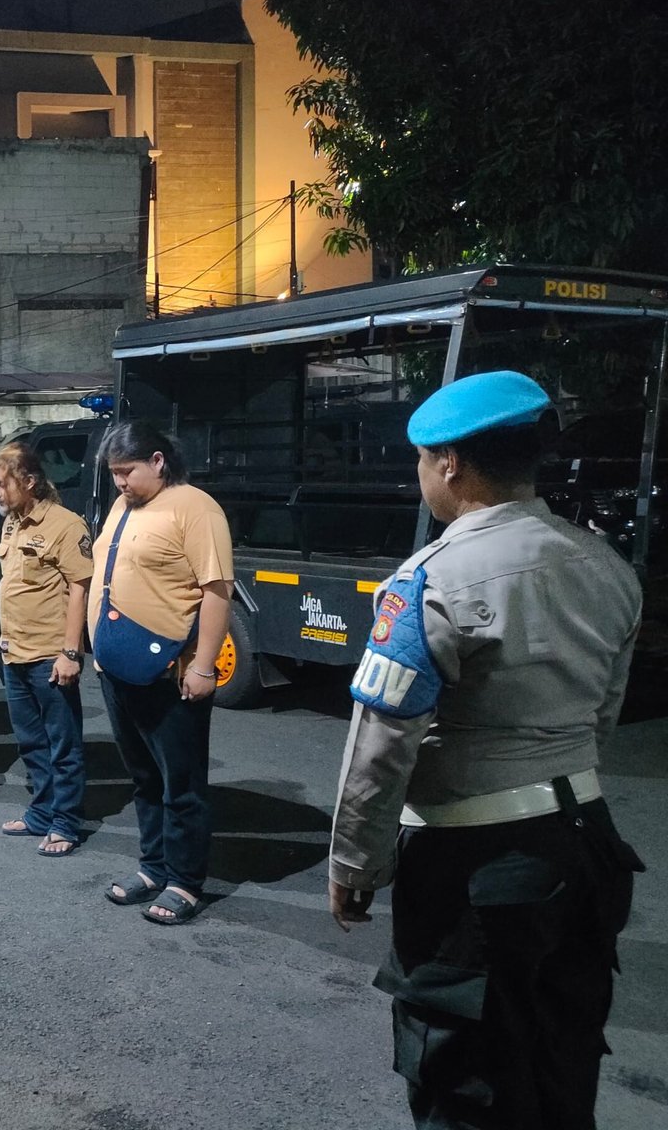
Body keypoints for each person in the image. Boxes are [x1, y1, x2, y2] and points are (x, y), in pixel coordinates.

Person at [329, 370, 645, 1130]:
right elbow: (603, 713)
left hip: (475, 868)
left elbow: (381, 747)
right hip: (587, 848)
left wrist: (355, 865)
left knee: (463, 1079)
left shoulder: (429, 582)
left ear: (449, 464)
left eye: (421, 459)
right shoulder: (605, 564)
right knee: (562, 1057)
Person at [92, 421, 233, 925]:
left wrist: (204, 666)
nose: (120, 482)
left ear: (157, 461)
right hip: (118, 667)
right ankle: (153, 867)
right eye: (113, 473)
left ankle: (185, 882)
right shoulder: (123, 506)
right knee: (144, 777)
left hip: (171, 672)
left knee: (182, 783)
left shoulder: (195, 507)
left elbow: (217, 591)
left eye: (127, 471)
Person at [0, 442, 93, 855]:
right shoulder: (11, 522)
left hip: (50, 656)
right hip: (14, 651)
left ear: (30, 481)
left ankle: (65, 823)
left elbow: (80, 589)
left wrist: (71, 652)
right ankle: (40, 814)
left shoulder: (66, 525)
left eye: (2, 484)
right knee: (31, 742)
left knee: (62, 745)